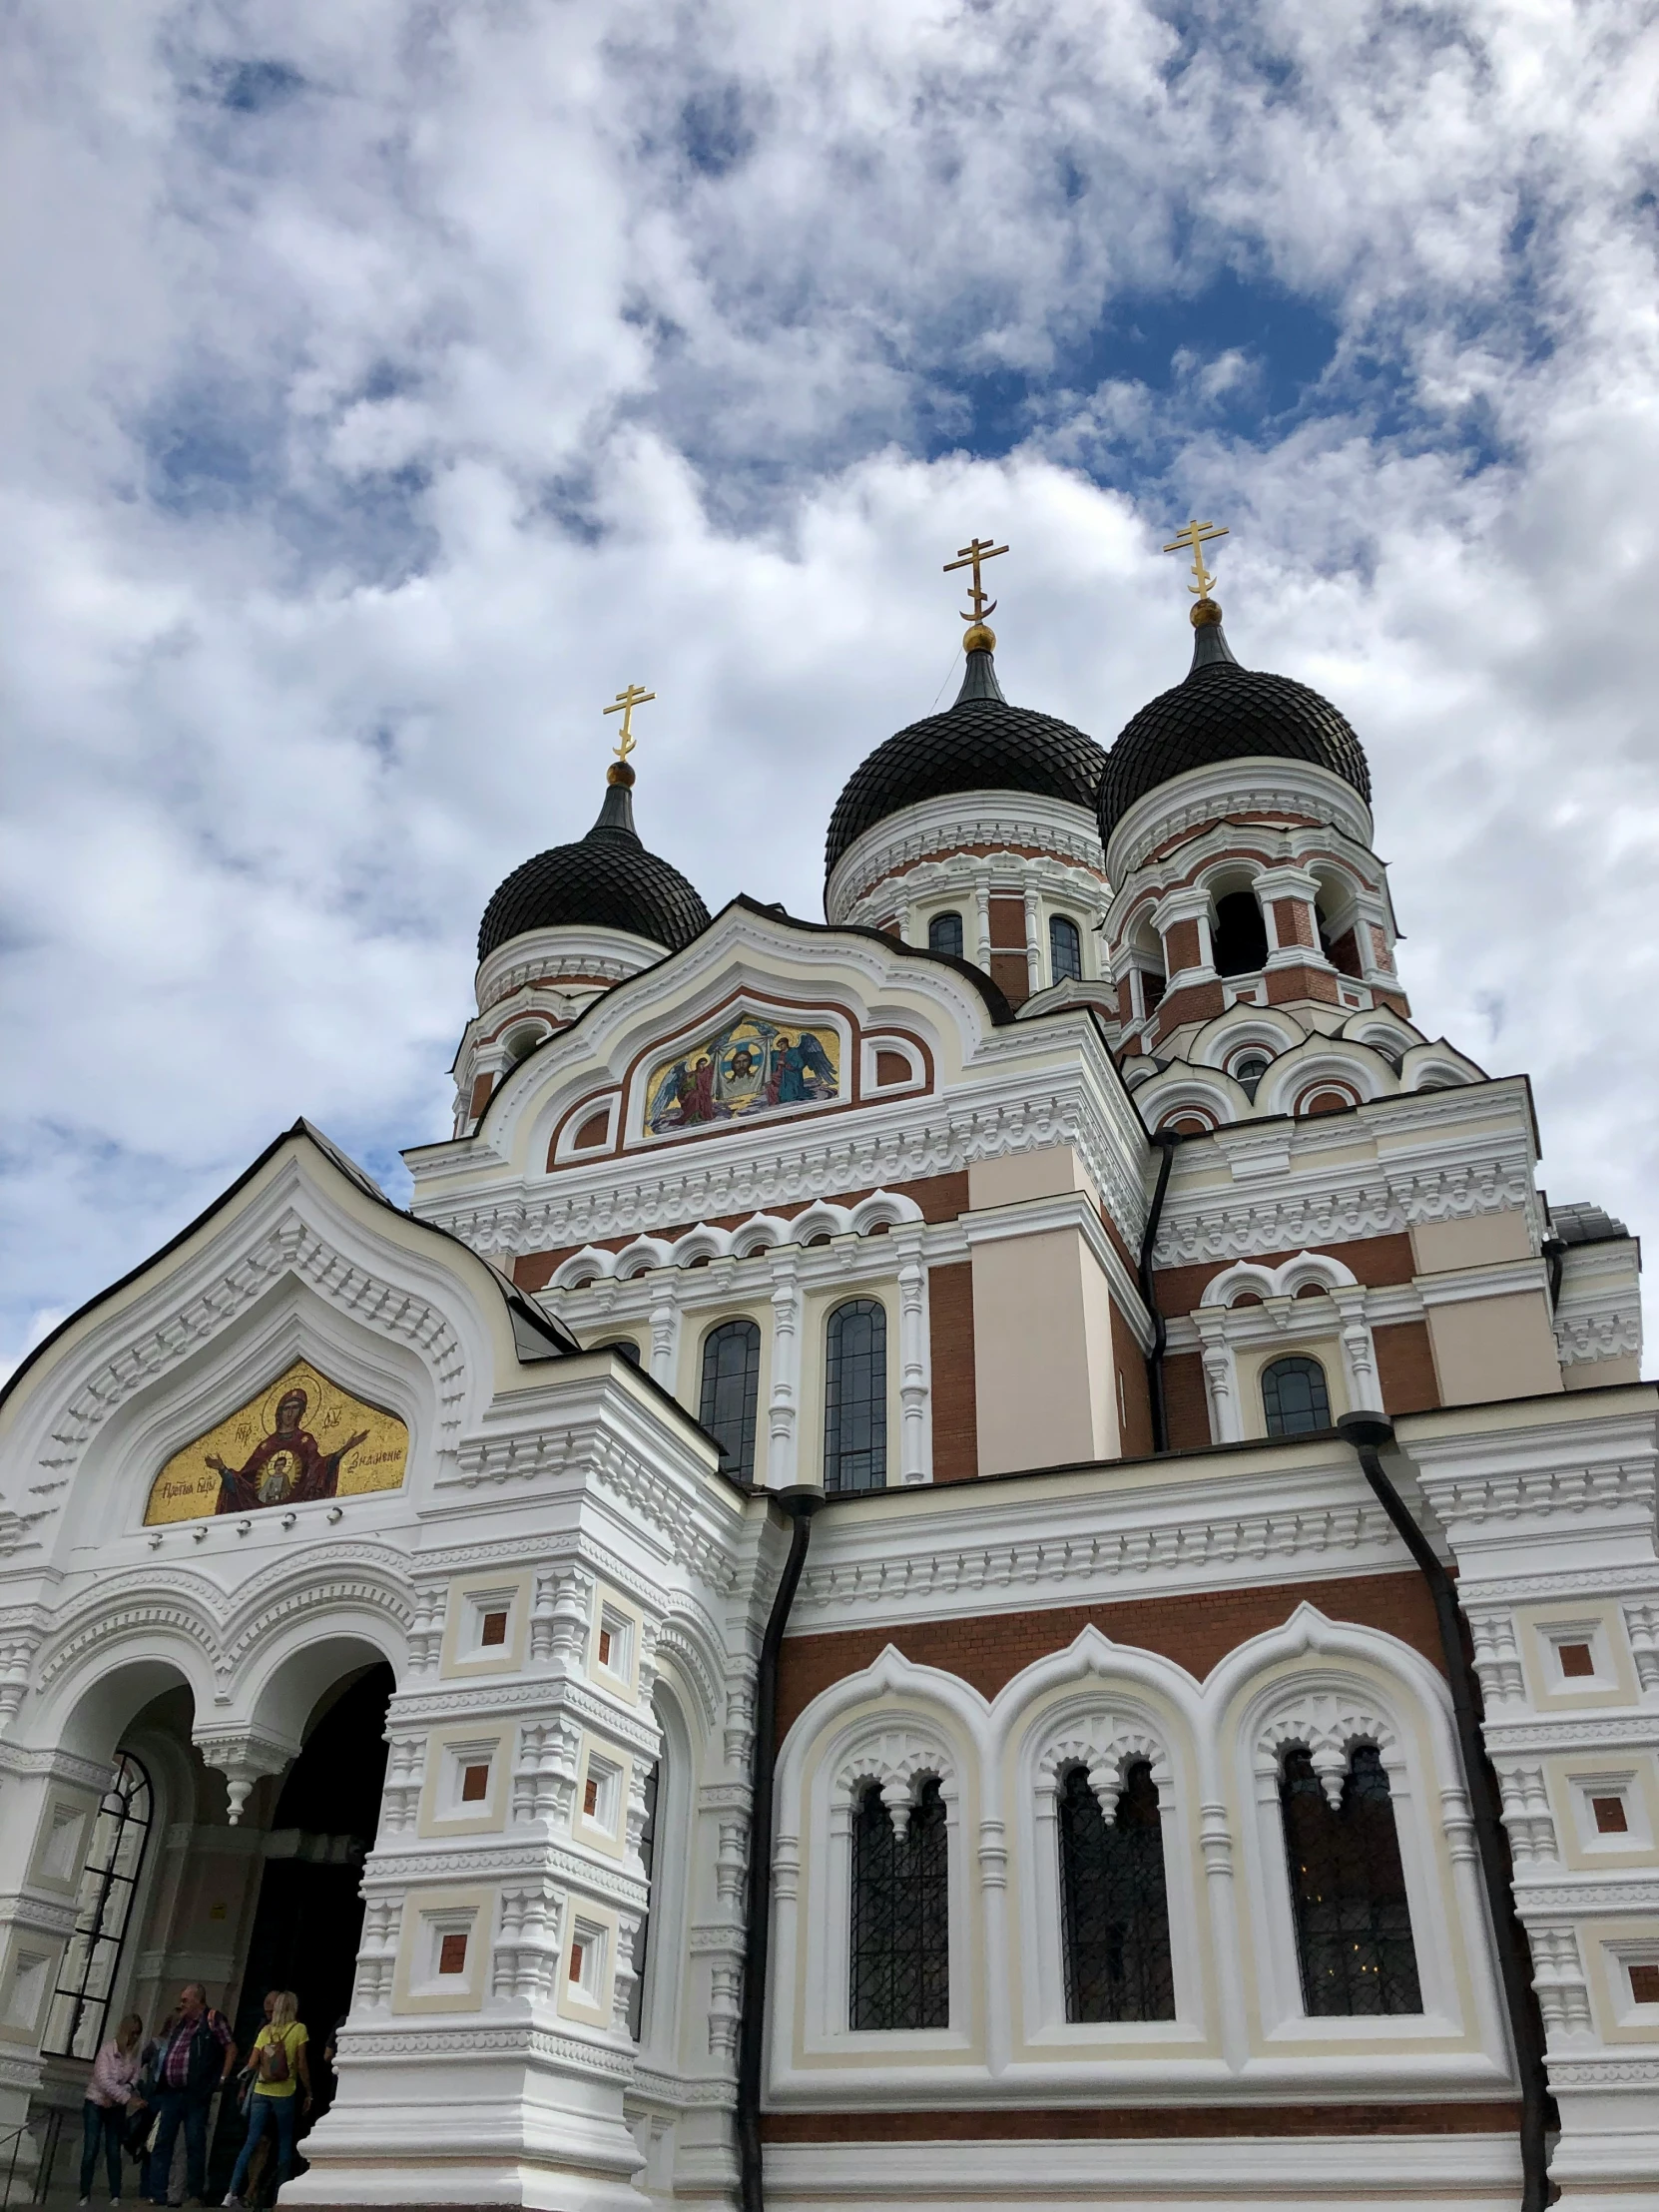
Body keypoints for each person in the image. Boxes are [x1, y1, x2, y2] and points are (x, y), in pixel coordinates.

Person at [145, 1983, 236, 2207]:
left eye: (185, 2000)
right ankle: (157, 2192)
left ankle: (194, 2193)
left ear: (198, 2000)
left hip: (196, 2093)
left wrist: (222, 2078)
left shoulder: (212, 2020)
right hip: (172, 2092)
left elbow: (230, 2047)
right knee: (163, 2141)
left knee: (195, 2141)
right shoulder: (181, 2024)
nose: (181, 2004)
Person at [206, 1389, 366, 1514]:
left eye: (295, 1408)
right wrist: (223, 1469)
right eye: (286, 1409)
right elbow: (244, 1485)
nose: (289, 1413)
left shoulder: (305, 1440)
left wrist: (344, 1449)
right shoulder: (266, 1446)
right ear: (279, 1412)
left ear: (301, 1412)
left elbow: (318, 1469)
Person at [223, 1990, 310, 2208]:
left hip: (261, 2091)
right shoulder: (298, 2030)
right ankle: (281, 2196)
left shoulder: (265, 2031)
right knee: (284, 2142)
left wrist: (241, 2079)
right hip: (284, 2093)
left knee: (250, 2141)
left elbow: (252, 2063)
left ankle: (231, 2192)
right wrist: (309, 2091)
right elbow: (301, 2065)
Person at [79, 2012, 143, 2205]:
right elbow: (103, 2080)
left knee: (114, 2150)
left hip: (116, 2107)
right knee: (91, 2148)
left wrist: (125, 2091)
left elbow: (134, 2078)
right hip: (95, 2103)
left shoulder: (133, 2056)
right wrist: (127, 2098)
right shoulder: (107, 2050)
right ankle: (84, 2193)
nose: (134, 2038)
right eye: (131, 2033)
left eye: (137, 2034)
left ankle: (115, 2194)